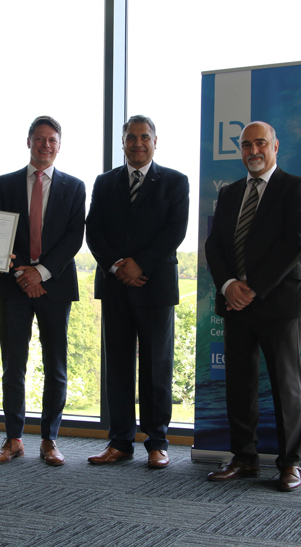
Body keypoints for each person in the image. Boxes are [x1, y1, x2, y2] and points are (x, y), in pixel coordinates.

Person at [86, 115, 189, 468]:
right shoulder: (104, 182)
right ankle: (120, 442)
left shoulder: (175, 181)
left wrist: (139, 265)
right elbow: (93, 230)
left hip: (155, 287)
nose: (138, 143)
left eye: (144, 137)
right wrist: (117, 266)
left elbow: (174, 232)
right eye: (131, 137)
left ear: (155, 141)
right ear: (123, 142)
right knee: (117, 367)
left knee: (156, 367)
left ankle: (157, 442)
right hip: (115, 287)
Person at [205, 121, 301, 491]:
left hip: (277, 303)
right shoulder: (230, 193)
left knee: (286, 385)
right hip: (235, 304)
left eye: (260, 143)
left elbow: (293, 243)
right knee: (239, 384)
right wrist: (229, 285)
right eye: (246, 145)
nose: (253, 151)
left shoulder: (294, 188)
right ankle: (243, 458)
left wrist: (253, 288)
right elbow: (215, 246)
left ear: (275, 146)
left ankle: (291, 462)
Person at [0, 116, 85, 466]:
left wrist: (40, 274)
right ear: (28, 141)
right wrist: (22, 274)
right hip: (14, 286)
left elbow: (74, 237)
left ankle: (49, 439)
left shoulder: (75, 187)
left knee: (55, 365)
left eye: (52, 140)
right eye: (40, 139)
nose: (46, 145)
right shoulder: (4, 183)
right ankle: (13, 438)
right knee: (13, 366)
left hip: (55, 287)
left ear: (59, 145)